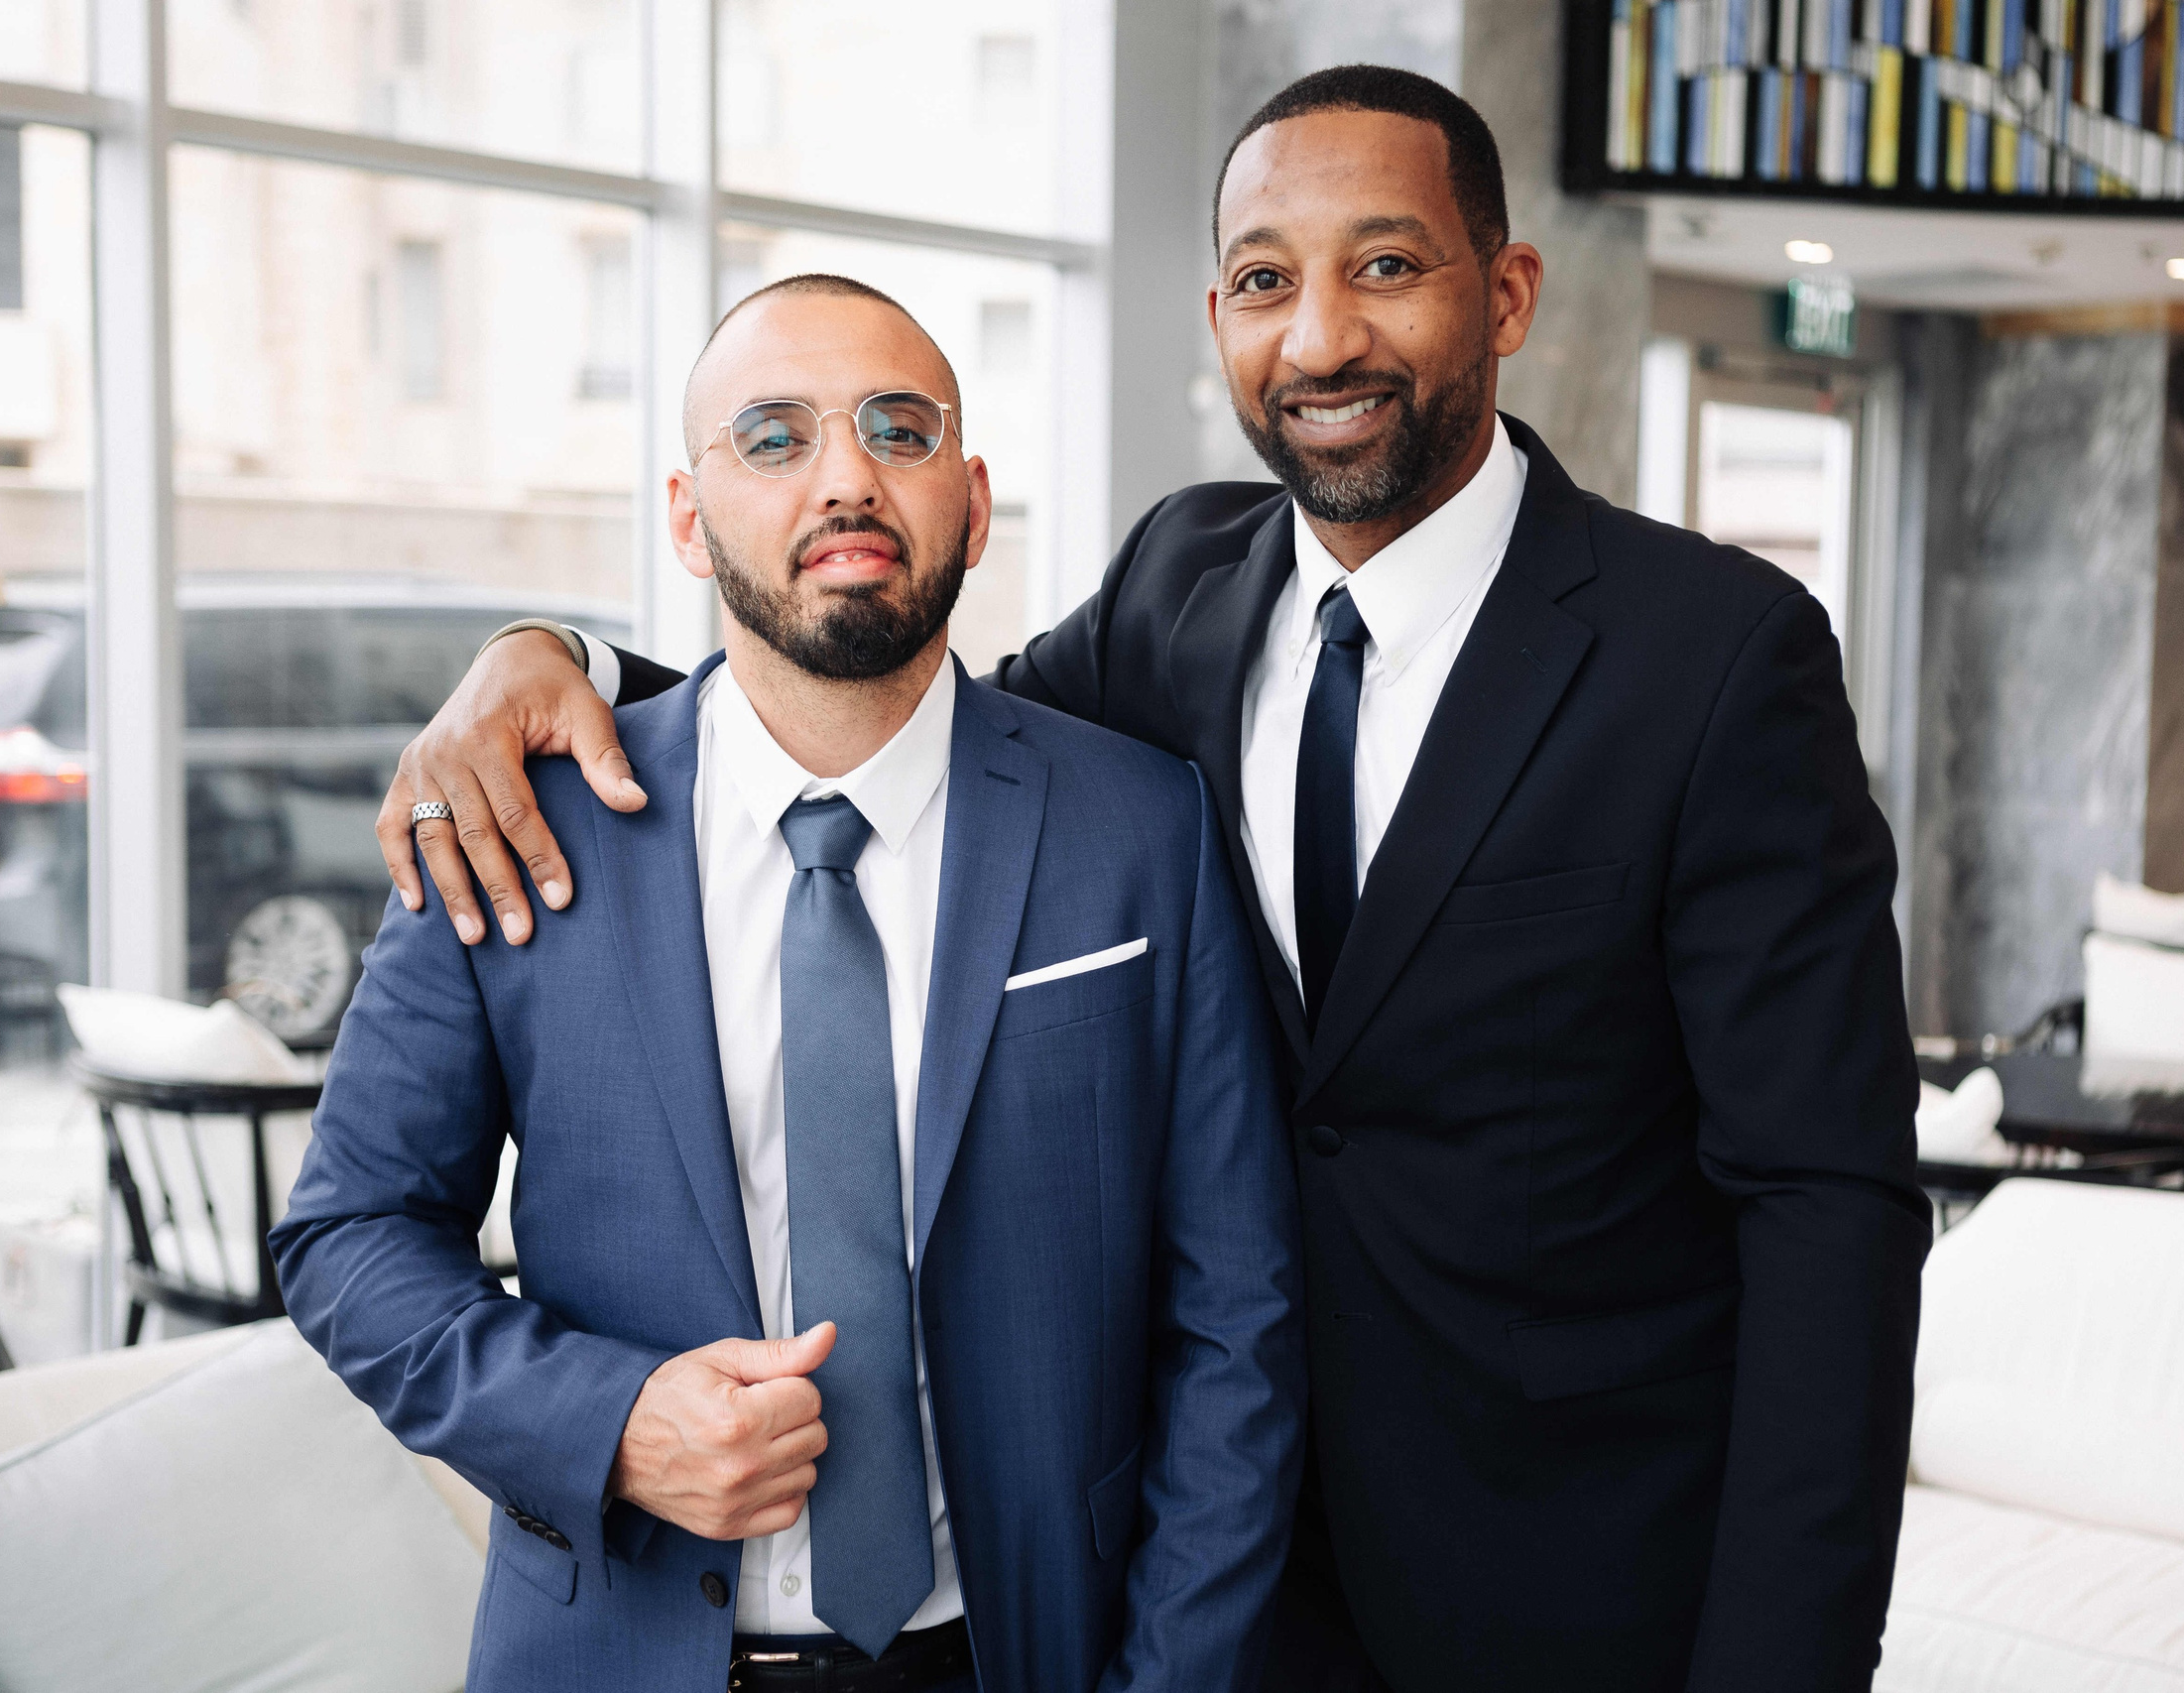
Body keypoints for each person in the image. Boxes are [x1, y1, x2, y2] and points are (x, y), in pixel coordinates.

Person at [375, 65, 1926, 1693]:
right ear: (1218, 317)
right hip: (1220, 1587)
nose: (1319, 338)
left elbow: (1829, 1211)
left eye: (1385, 266)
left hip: (1570, 1586)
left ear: (1510, 291)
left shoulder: (1715, 657)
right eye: (1267, 281)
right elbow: (884, 707)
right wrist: (552, 658)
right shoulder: (1184, 584)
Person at [275, 274, 1306, 1693]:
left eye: (899, 427)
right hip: (614, 1655)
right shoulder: (519, 823)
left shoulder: (1141, 828)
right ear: (689, 518)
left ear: (973, 497)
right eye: (772, 438)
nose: (845, 477)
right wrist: (612, 1422)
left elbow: (1236, 1319)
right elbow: (348, 1239)